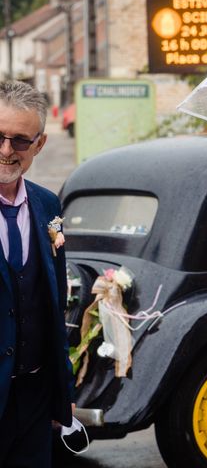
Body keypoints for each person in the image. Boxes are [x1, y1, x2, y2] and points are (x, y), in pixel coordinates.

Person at [0, 81, 74, 467]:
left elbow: (54, 301)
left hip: (35, 397)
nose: (6, 151)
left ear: (40, 144)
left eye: (20, 141)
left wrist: (62, 390)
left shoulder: (48, 205)